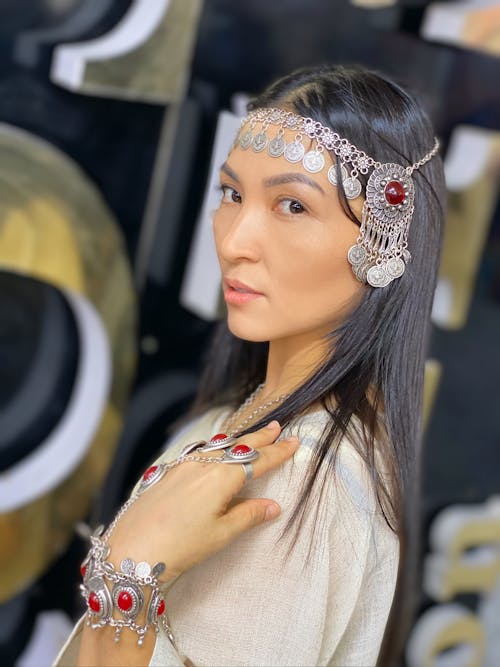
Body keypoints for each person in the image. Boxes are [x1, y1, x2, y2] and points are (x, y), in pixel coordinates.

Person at [55, 63, 445, 667]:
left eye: (291, 205)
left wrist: (130, 574)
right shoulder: (251, 417)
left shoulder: (298, 485)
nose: (235, 238)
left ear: (384, 241)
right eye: (233, 194)